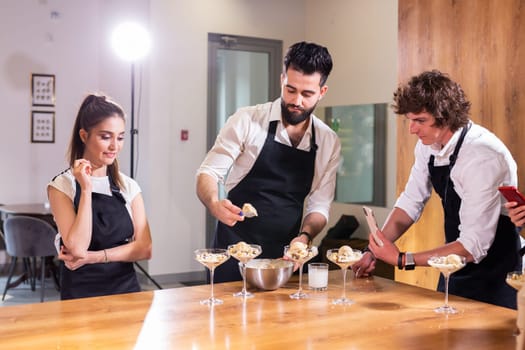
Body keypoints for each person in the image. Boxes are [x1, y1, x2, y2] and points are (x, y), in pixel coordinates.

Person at [353, 70, 521, 309]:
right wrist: (374, 250)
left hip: (494, 275)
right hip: (452, 268)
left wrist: (402, 260)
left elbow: (473, 245)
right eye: (410, 120)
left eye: (420, 121)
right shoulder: (429, 145)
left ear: (446, 117)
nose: (412, 129)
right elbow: (411, 201)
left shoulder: (483, 156)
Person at [196, 41, 341, 282]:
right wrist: (213, 203)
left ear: (322, 92)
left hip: (287, 258)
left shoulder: (327, 141)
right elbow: (208, 173)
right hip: (236, 251)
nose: (297, 101)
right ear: (282, 79)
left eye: (307, 94)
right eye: (290, 89)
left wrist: (305, 236)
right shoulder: (247, 120)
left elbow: (319, 206)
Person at [47, 94, 152, 300]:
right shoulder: (62, 186)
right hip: (81, 296)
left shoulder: (128, 186)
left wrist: (93, 258)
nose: (115, 146)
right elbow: (77, 248)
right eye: (105, 137)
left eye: (120, 137)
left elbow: (145, 247)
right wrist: (86, 189)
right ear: (84, 136)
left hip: (126, 293)